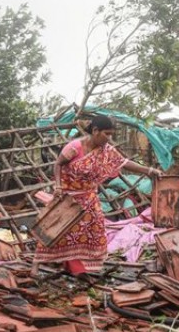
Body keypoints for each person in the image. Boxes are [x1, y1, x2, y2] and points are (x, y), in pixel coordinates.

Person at [34, 115, 162, 278]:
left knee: (90, 233)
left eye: (111, 135)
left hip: (88, 197)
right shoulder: (74, 147)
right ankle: (36, 266)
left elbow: (124, 162)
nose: (109, 138)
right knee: (55, 231)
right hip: (68, 197)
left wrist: (149, 170)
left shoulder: (107, 151)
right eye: (106, 134)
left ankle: (78, 268)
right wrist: (58, 186)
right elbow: (58, 164)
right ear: (95, 131)